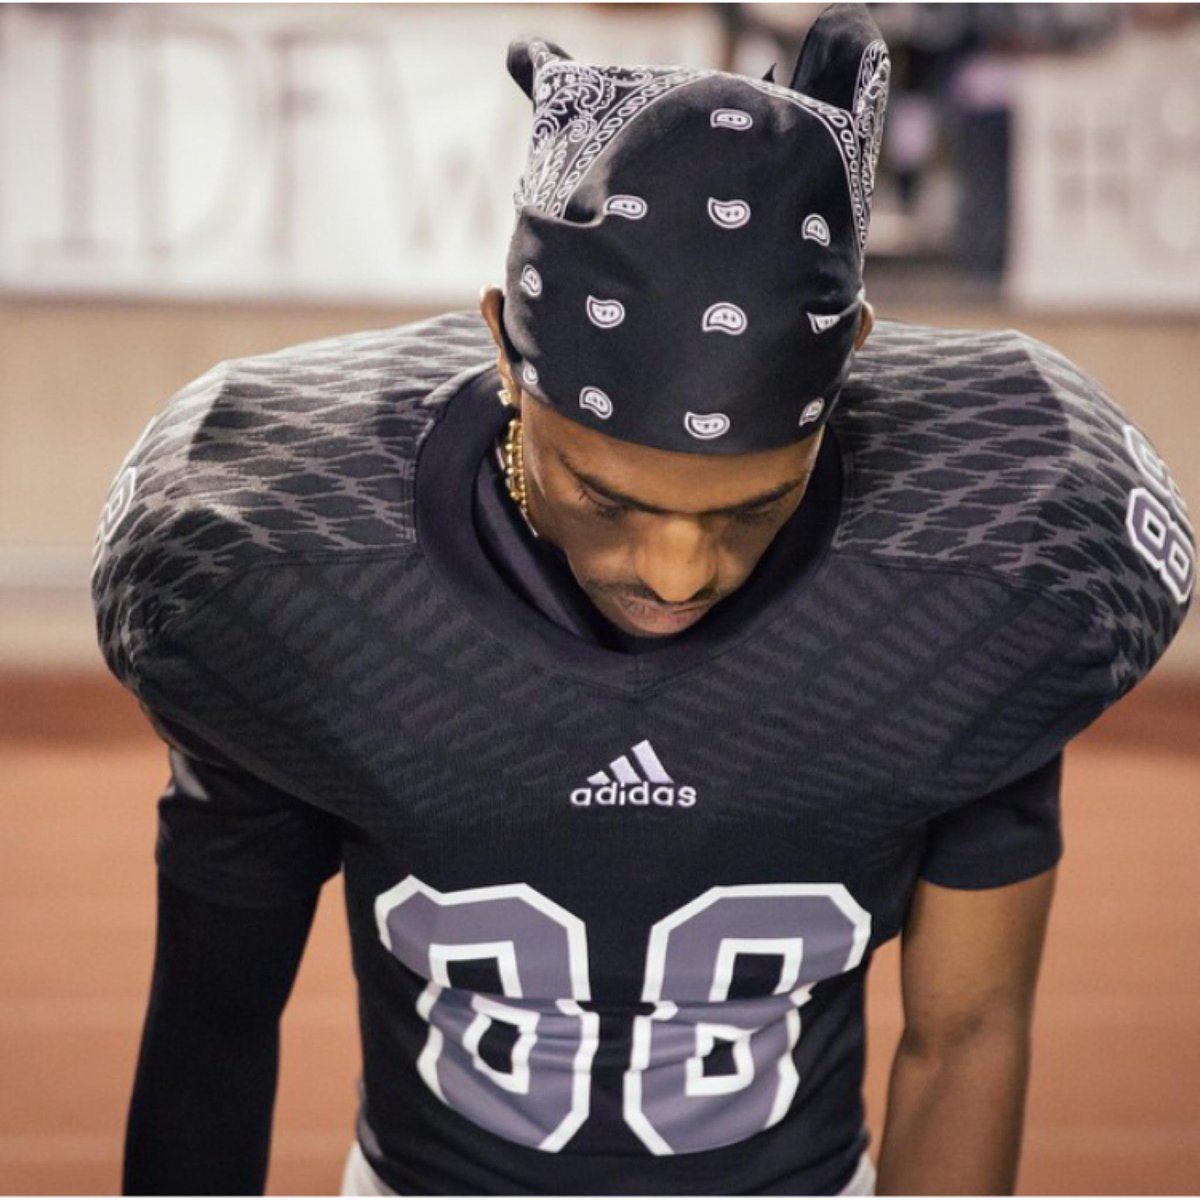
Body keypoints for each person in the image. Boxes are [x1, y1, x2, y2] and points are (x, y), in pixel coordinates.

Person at [92, 6, 1193, 1196]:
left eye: (751, 507)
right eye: (608, 497)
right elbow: (212, 1023)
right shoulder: (290, 572)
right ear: (504, 355)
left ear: (850, 369)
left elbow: (966, 1034)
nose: (676, 574)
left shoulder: (979, 575)